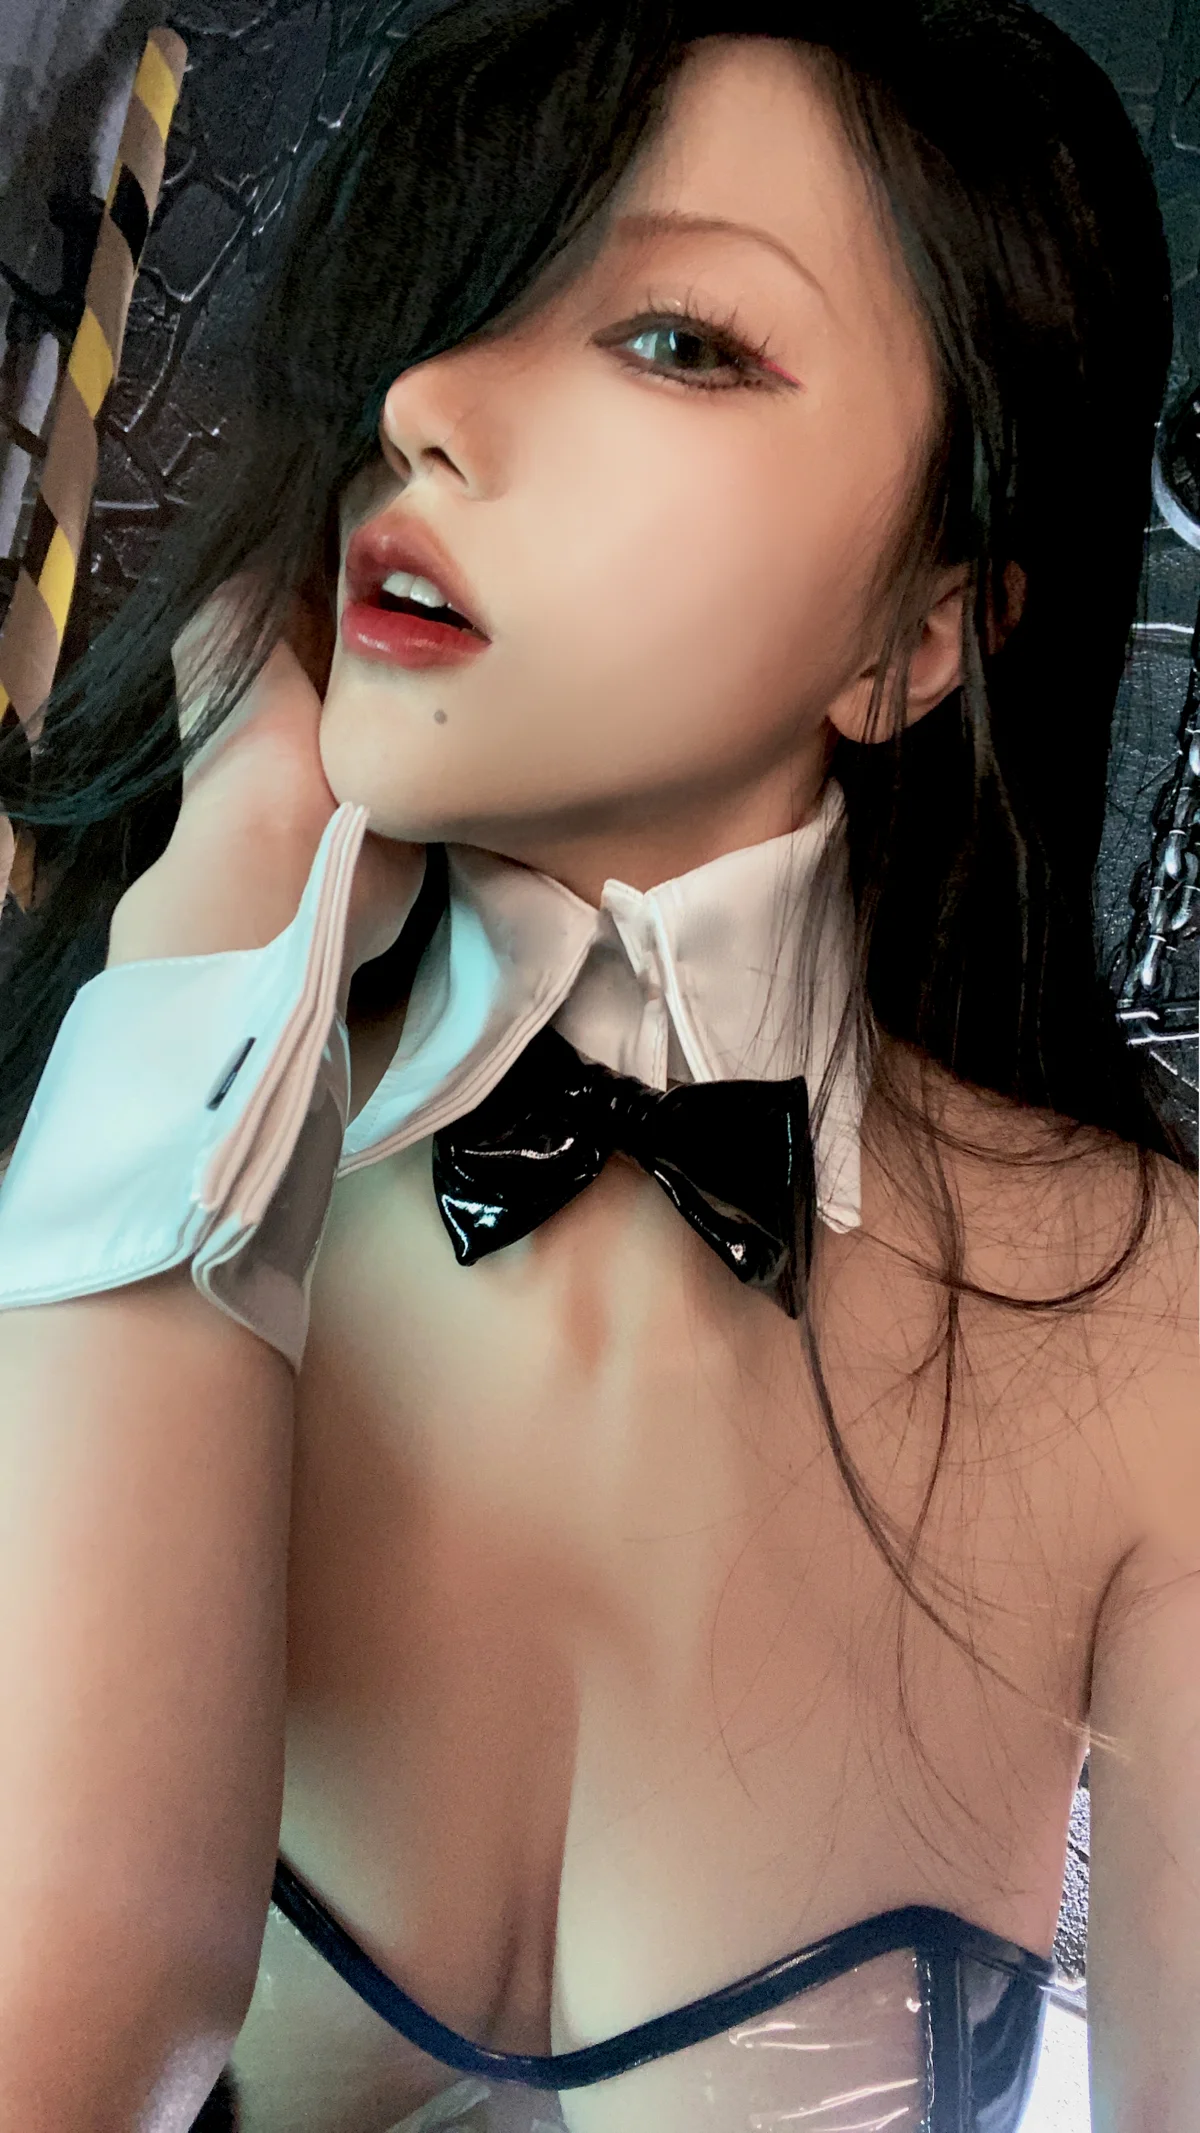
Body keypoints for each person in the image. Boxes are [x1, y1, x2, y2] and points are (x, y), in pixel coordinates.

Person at [0, 2, 1196, 2127]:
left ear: (921, 631)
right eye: (460, 305)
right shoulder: (94, 1147)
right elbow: (52, 2047)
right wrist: (210, 942)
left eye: (679, 340)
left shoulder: (1151, 1326)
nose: (426, 404)